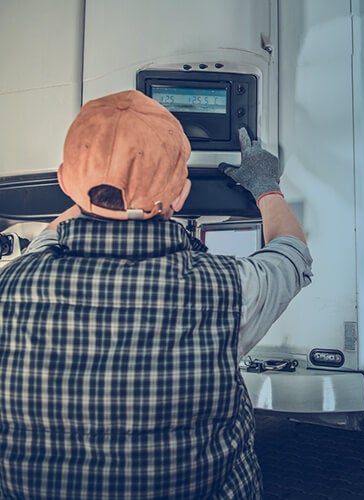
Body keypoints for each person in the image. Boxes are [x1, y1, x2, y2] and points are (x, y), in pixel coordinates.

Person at [0, 90, 312, 498]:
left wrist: (92, 189)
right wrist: (265, 186)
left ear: (64, 182)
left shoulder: (12, 286)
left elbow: (50, 236)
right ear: (180, 195)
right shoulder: (228, 290)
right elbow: (292, 254)